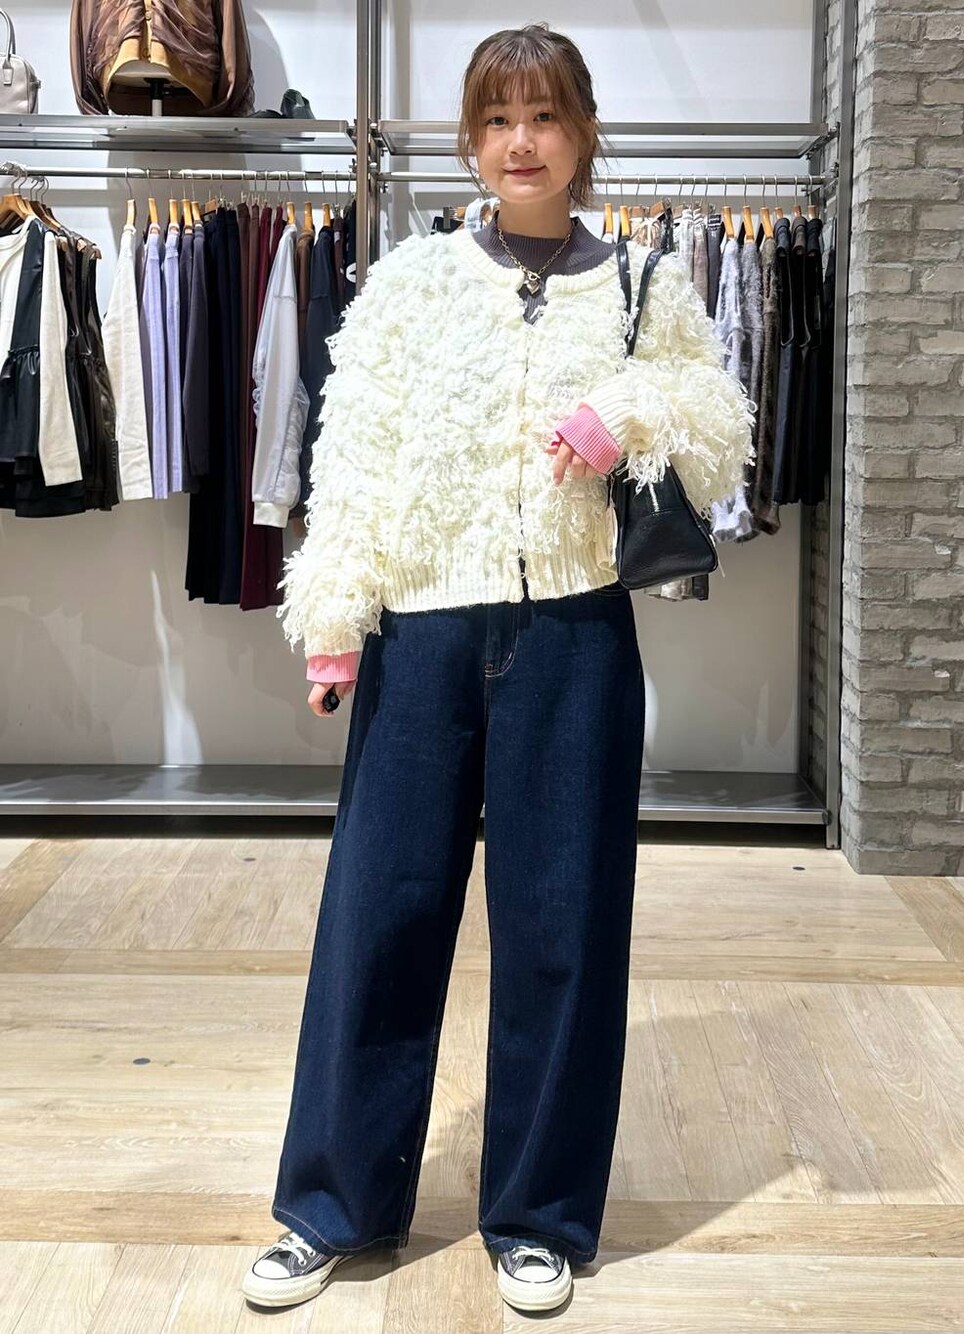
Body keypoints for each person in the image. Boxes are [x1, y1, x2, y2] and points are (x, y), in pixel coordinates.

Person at [240, 21, 754, 1317]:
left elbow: (719, 428)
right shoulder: (411, 281)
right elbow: (354, 449)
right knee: (380, 916)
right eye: (497, 119)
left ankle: (538, 1214)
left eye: (544, 116)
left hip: (575, 636)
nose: (521, 142)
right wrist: (335, 615)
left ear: (582, 134)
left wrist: (626, 413)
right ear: (473, 140)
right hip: (421, 633)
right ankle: (332, 1205)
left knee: (562, 927)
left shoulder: (644, 284)